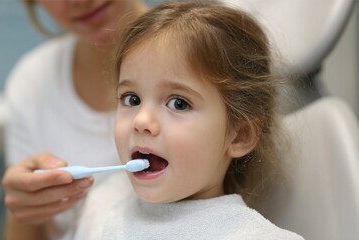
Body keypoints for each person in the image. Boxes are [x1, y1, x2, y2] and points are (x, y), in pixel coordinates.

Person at [65, 1, 305, 239]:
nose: (141, 120)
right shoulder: (103, 202)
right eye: (131, 99)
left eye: (178, 103)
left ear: (240, 135)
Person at [1, 0, 147, 239]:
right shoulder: (31, 82)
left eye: (179, 104)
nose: (79, 1)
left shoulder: (213, 51)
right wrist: (26, 209)